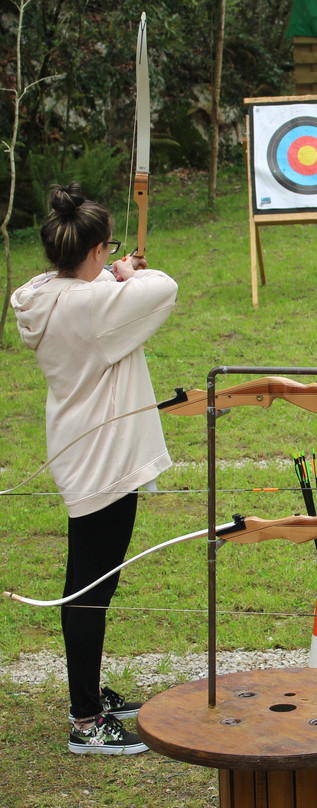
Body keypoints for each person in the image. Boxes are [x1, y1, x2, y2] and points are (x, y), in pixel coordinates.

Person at [10, 182, 177, 754]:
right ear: (98, 247)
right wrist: (130, 274)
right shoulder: (95, 304)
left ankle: (90, 699)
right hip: (102, 460)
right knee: (89, 589)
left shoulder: (41, 295)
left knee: (92, 583)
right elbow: (163, 289)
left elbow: (80, 288)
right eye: (108, 250)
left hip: (80, 448)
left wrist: (111, 270)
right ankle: (86, 721)